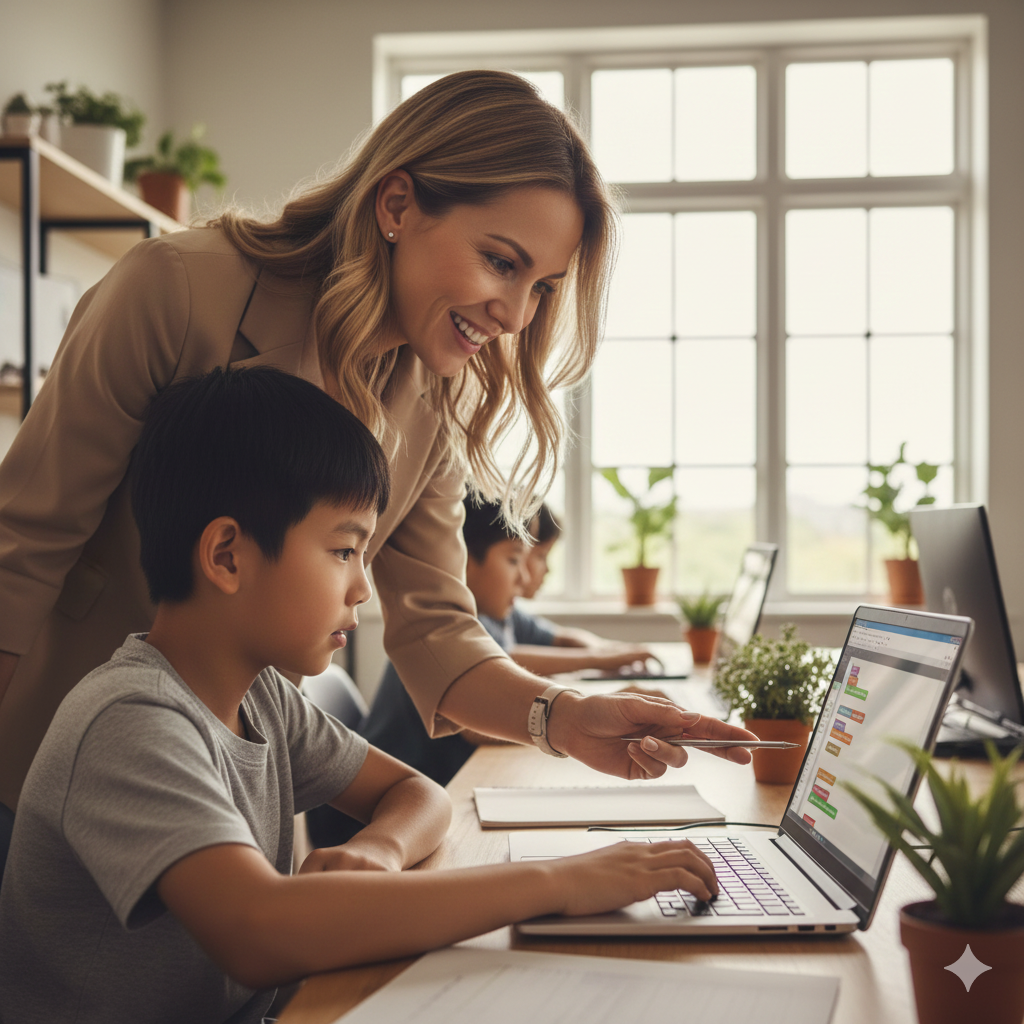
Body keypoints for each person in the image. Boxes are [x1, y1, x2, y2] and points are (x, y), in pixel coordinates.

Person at [0, 70, 756, 821]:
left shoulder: (437, 397)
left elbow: (436, 630)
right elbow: (25, 542)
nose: (516, 315)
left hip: (233, 790)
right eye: (502, 262)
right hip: (53, 764)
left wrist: (565, 718)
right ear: (396, 205)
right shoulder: (176, 287)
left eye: (543, 287)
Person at [0, 367, 721, 1024]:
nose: (364, 587)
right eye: (344, 550)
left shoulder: (263, 699)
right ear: (227, 556)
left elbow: (416, 794)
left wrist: (378, 851)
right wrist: (559, 883)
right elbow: (260, 930)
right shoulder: (130, 721)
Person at [354, 498, 662, 793]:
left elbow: (552, 643)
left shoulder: (499, 615)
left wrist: (600, 667)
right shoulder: (444, 633)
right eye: (515, 559)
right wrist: (592, 697)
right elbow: (479, 726)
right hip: (380, 806)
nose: (525, 577)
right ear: (462, 559)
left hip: (425, 793)